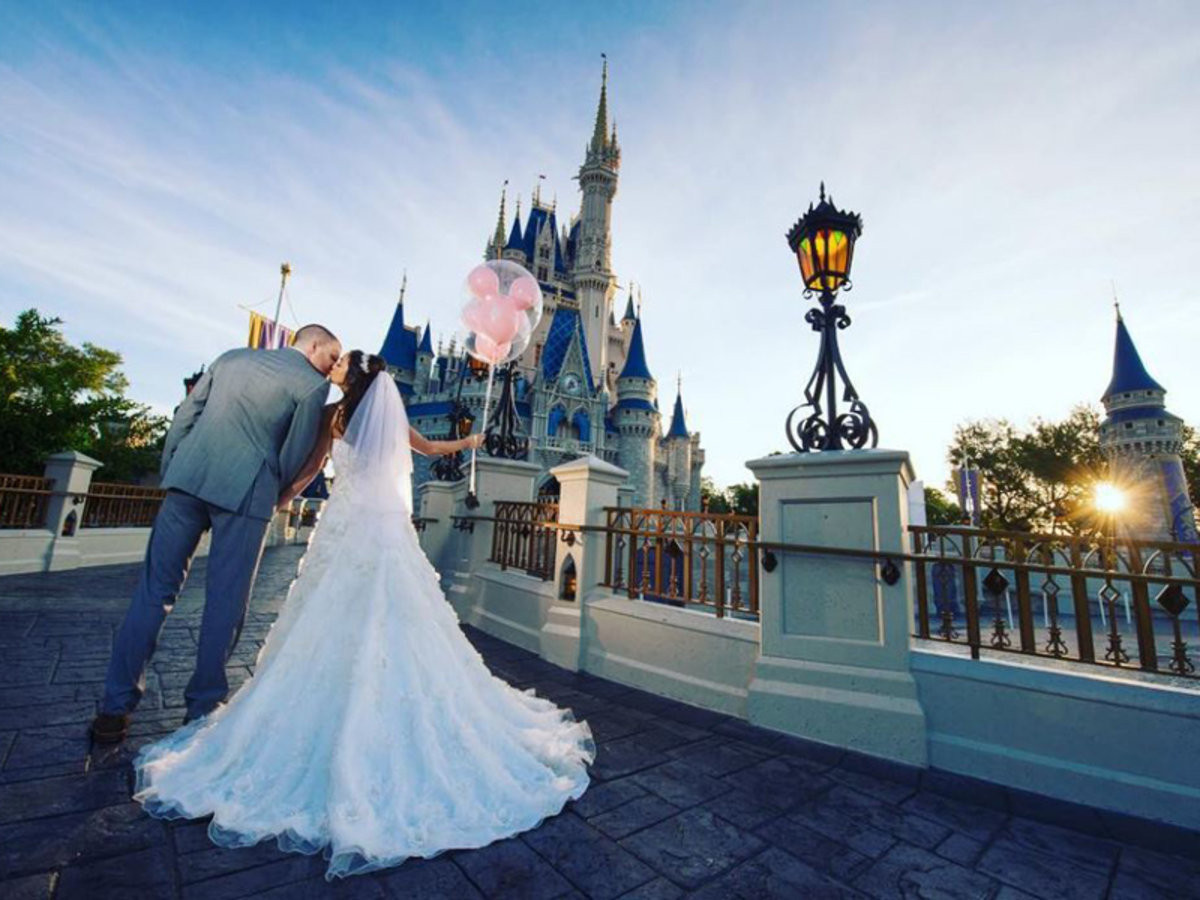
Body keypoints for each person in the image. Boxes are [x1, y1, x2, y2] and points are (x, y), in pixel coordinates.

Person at [130, 352, 595, 879]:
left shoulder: (332, 417)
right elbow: (429, 447)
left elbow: (308, 468)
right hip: (385, 528)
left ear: (348, 379)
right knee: (398, 613)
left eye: (337, 366)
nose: (330, 368)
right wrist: (468, 444)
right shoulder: (392, 415)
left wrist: (283, 495)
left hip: (345, 525)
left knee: (329, 613)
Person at [90, 325, 343, 744]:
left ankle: (114, 709)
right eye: (331, 358)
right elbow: (294, 455)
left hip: (187, 479)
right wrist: (272, 498)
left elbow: (185, 416)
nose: (332, 369)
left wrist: (174, 467)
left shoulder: (230, 358)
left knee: (153, 593)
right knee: (225, 604)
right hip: (246, 494)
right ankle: (202, 709)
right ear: (312, 346)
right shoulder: (311, 387)